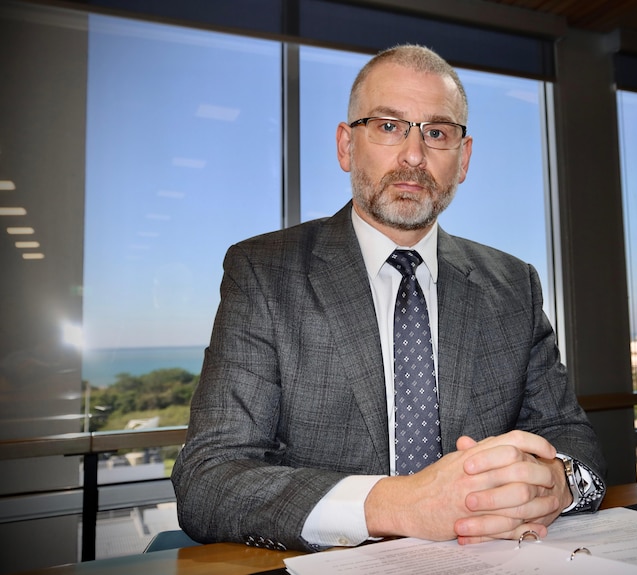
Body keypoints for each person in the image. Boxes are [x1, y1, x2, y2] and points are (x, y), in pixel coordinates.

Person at [172, 44, 606, 553]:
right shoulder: (265, 272)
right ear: (345, 146)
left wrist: (557, 483)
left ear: (462, 160)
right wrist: (401, 505)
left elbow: (575, 440)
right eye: (388, 125)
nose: (414, 155)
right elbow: (208, 478)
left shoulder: (514, 285)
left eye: (437, 132)